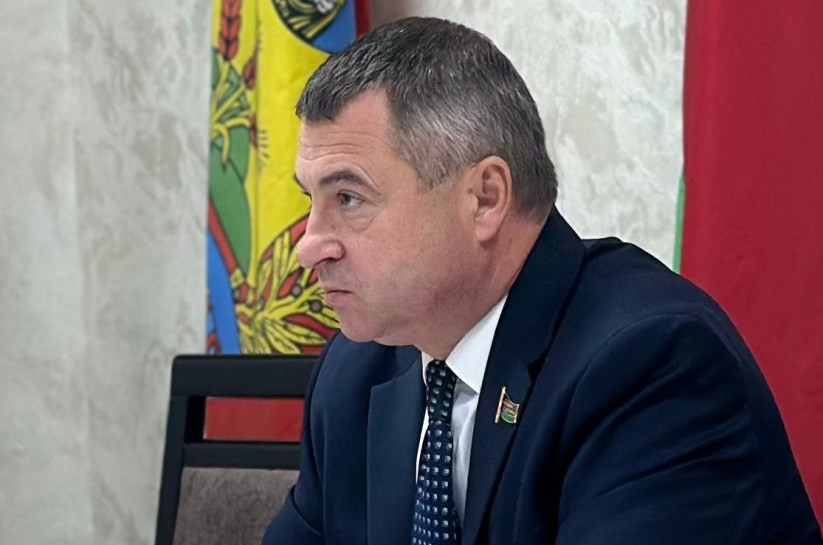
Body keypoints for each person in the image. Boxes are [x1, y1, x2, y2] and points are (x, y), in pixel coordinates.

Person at [262, 16, 822, 545]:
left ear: (485, 199)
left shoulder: (650, 362)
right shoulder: (356, 371)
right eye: (311, 200)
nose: (309, 245)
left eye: (349, 198)